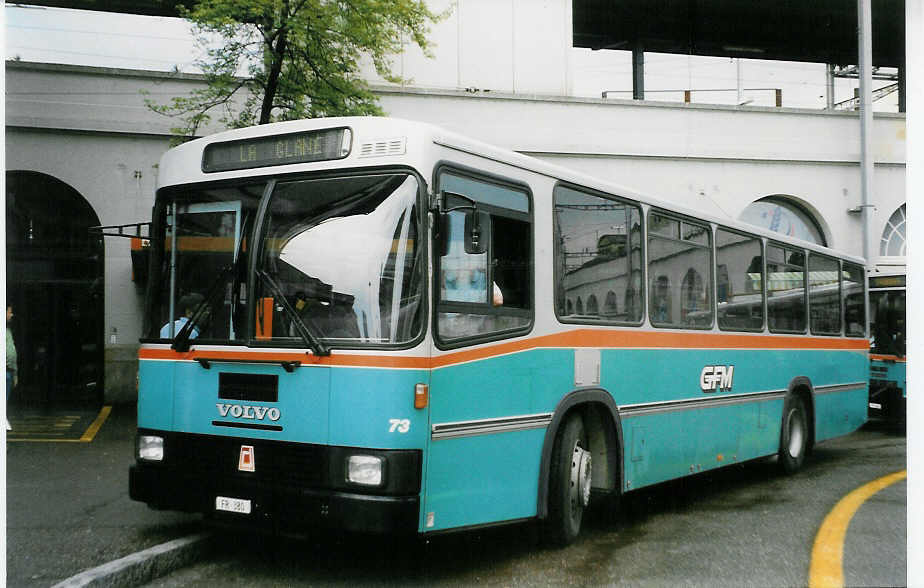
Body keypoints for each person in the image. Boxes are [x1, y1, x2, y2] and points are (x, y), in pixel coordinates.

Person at [7, 305, 17, 431]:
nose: (11, 315)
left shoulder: (8, 330)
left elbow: (11, 350)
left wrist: (15, 373)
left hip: (9, 371)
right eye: (9, 312)